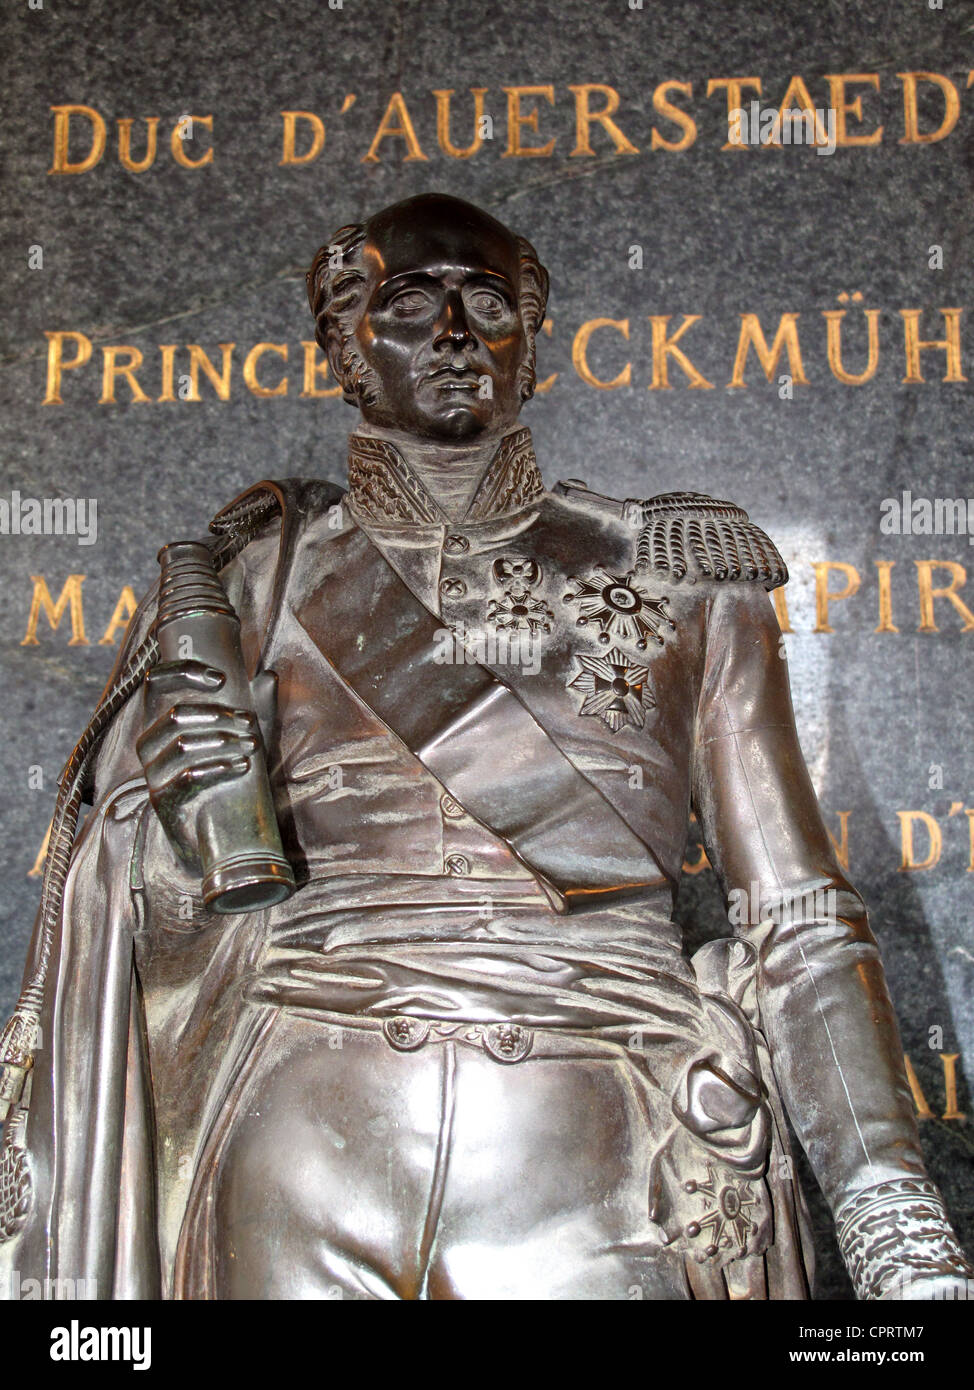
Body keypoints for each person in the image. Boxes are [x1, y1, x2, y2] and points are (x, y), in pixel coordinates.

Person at [0, 193, 969, 1300]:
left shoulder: (688, 572)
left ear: (529, 341)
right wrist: (169, 840)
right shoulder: (247, 585)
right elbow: (145, 925)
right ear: (347, 344)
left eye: (487, 303)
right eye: (411, 302)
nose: (454, 332)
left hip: (599, 1146)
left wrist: (889, 1211)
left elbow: (795, 912)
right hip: (297, 1146)